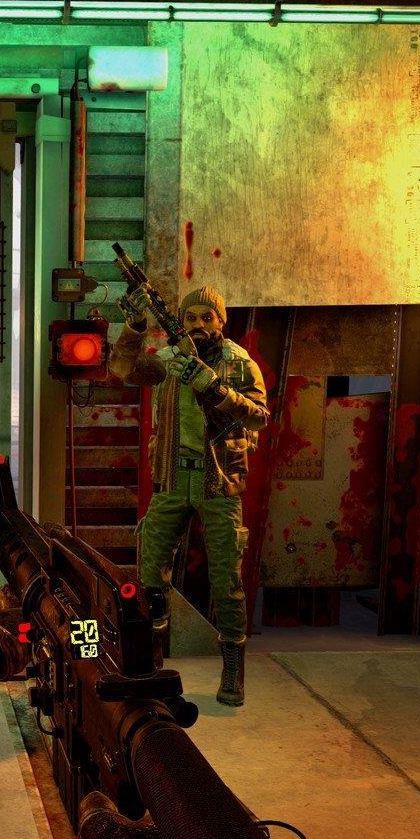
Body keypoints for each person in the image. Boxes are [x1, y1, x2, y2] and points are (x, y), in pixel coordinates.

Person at [108, 285, 269, 706]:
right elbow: (123, 369)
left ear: (221, 321)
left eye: (207, 317)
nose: (198, 324)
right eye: (191, 317)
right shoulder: (168, 360)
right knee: (150, 570)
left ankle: (232, 667)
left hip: (220, 483)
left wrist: (214, 387)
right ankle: (152, 659)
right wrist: (134, 326)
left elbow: (259, 417)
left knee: (226, 581)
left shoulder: (239, 363)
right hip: (174, 478)